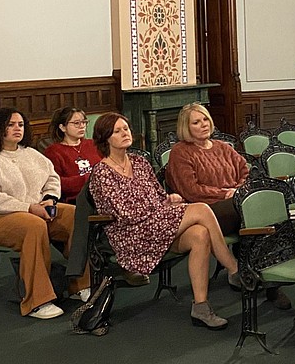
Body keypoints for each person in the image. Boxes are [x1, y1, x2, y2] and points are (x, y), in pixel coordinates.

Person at [88, 112, 242, 330]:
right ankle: (235, 269)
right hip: (132, 234)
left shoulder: (140, 162)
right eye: (117, 131)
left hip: (156, 224)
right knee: (201, 209)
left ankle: (201, 306)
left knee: (200, 234)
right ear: (105, 139)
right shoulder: (102, 172)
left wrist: (169, 200)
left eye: (126, 128)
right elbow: (126, 214)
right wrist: (161, 209)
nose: (125, 133)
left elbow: (158, 196)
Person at [0, 107, 91, 319]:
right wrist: (29, 208)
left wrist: (50, 199)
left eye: (21, 125)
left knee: (74, 215)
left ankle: (80, 284)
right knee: (33, 226)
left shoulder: (31, 154)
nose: (17, 129)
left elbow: (52, 178)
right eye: (11, 125)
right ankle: (37, 300)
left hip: (37, 209)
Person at [165, 104, 292, 310]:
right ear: (185, 127)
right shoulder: (181, 152)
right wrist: (225, 193)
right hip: (207, 209)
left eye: (205, 119)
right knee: (252, 213)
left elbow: (245, 171)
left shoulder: (222, 146)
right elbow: (191, 190)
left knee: (267, 213)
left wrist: (239, 190)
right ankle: (245, 273)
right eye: (196, 122)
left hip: (236, 201)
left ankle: (270, 281)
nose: (203, 125)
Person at [42, 107, 100, 203]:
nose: (82, 126)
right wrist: (87, 179)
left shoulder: (93, 144)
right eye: (76, 123)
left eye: (84, 122)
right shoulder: (53, 151)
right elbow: (56, 182)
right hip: (76, 200)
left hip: (100, 193)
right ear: (63, 127)